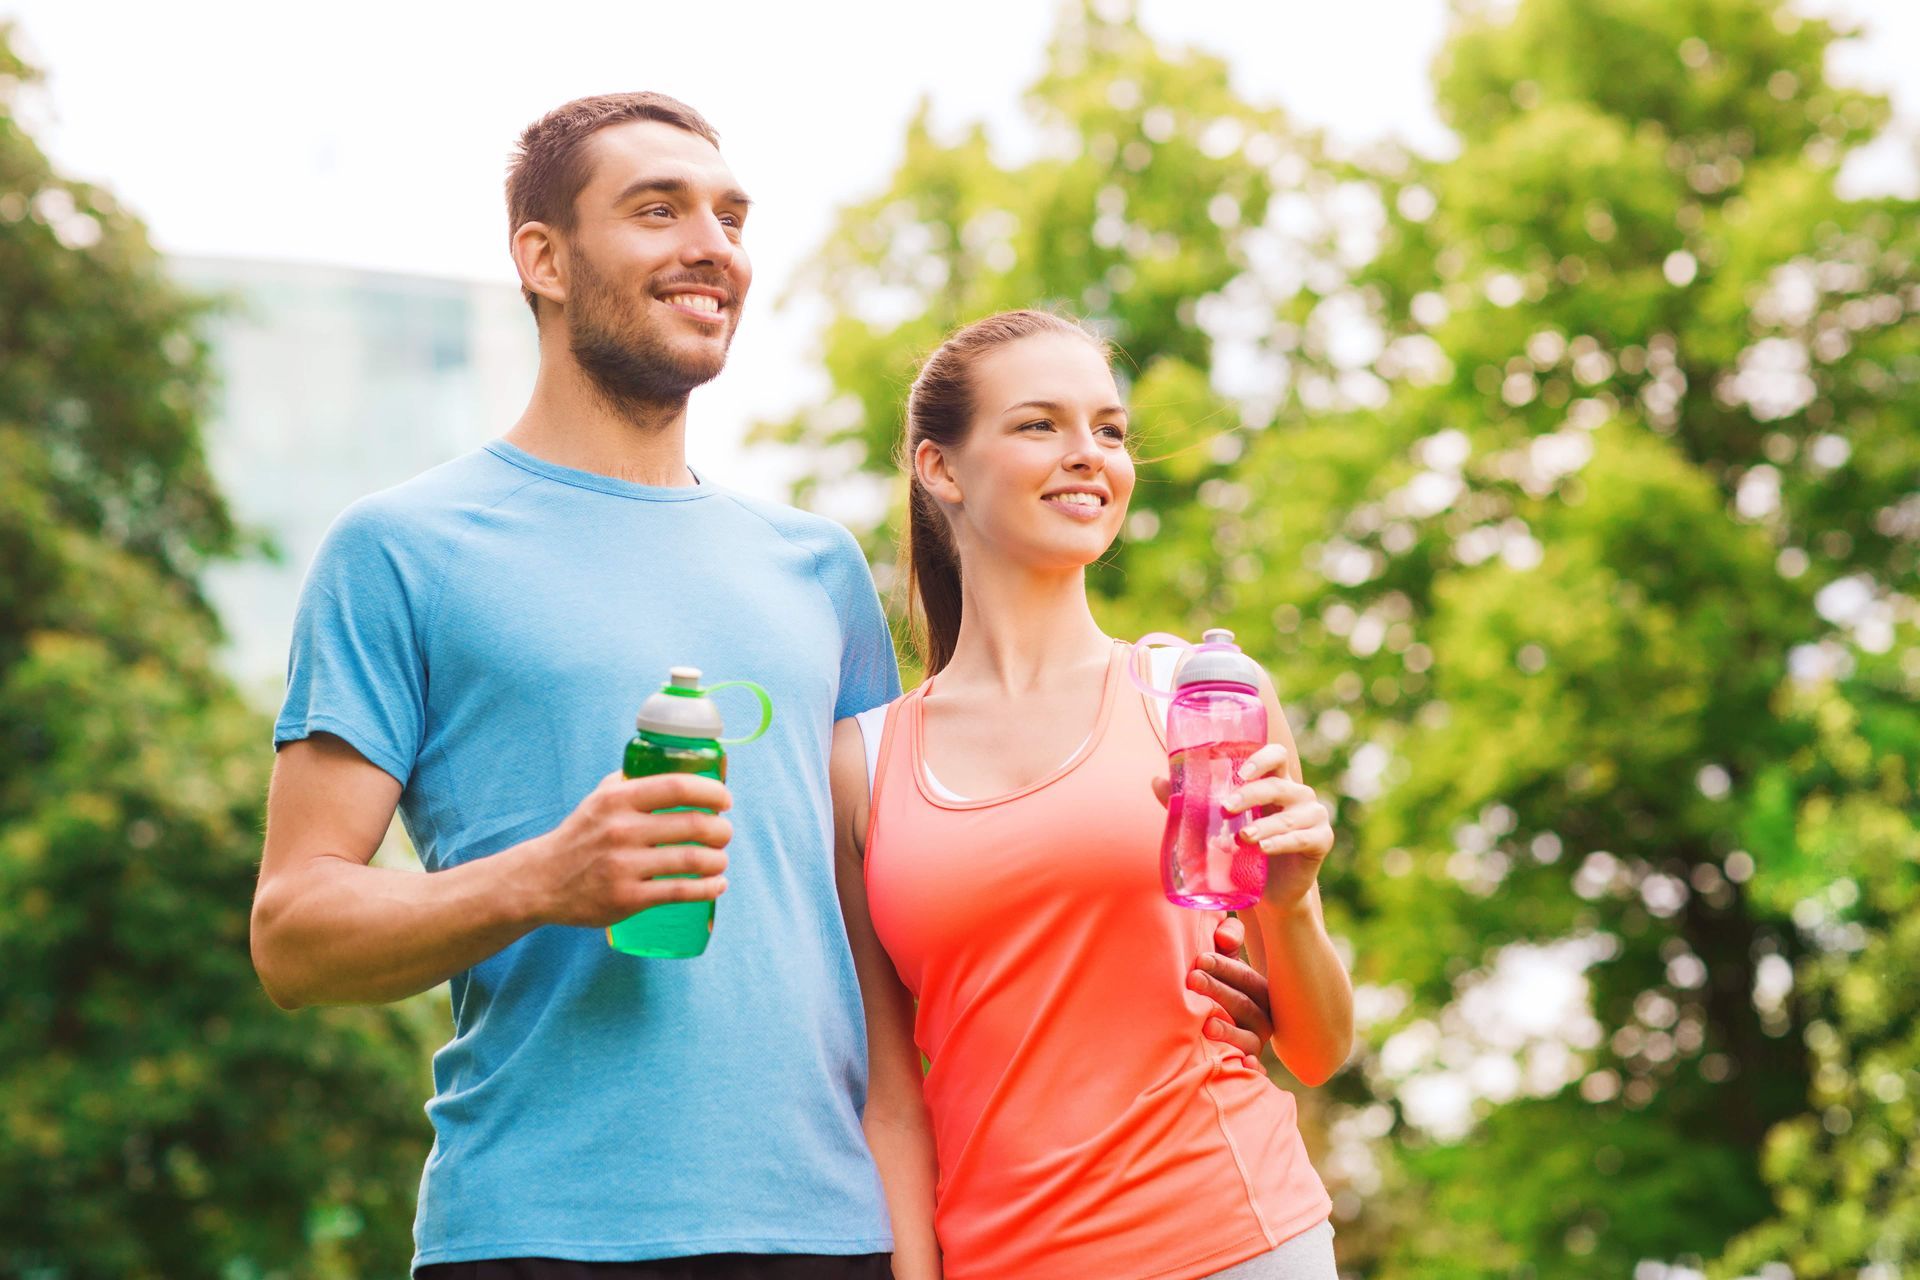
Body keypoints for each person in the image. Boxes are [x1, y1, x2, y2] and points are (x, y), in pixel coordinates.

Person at [248, 95, 1275, 1279]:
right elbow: (294, 933)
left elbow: (909, 917)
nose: (713, 244)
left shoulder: (817, 569)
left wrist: (1200, 974)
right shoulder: (403, 549)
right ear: (541, 257)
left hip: (831, 1230)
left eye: (731, 216)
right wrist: (546, 876)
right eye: (657, 209)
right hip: (535, 1231)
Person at [831, 310, 1353, 1280]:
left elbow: (1319, 1048)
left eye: (1109, 430)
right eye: (1041, 425)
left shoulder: (1201, 697)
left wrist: (1288, 905)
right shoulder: (862, 763)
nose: (1090, 455)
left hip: (1239, 1241)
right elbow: (893, 1097)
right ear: (941, 467)